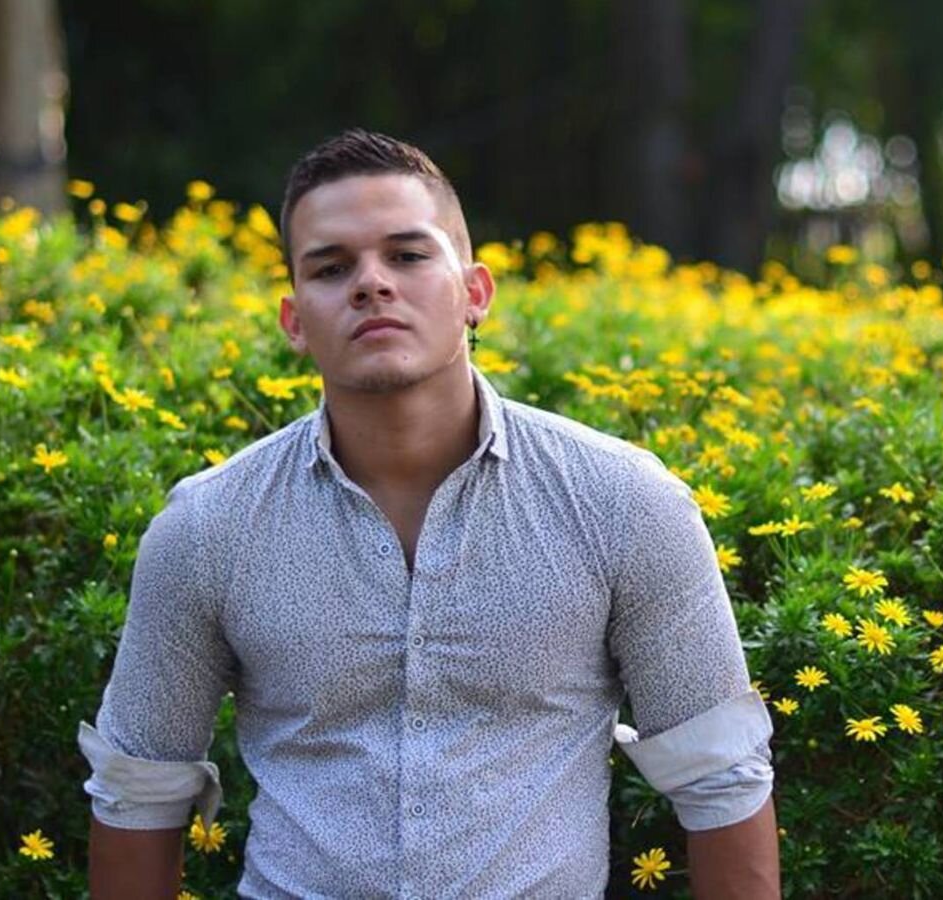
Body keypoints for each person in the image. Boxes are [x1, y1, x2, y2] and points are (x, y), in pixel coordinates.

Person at [79, 128, 778, 898]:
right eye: (331, 267)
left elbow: (721, 775)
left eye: (408, 255)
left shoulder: (622, 503)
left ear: (475, 293)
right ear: (294, 320)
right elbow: (138, 791)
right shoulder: (208, 529)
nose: (371, 284)